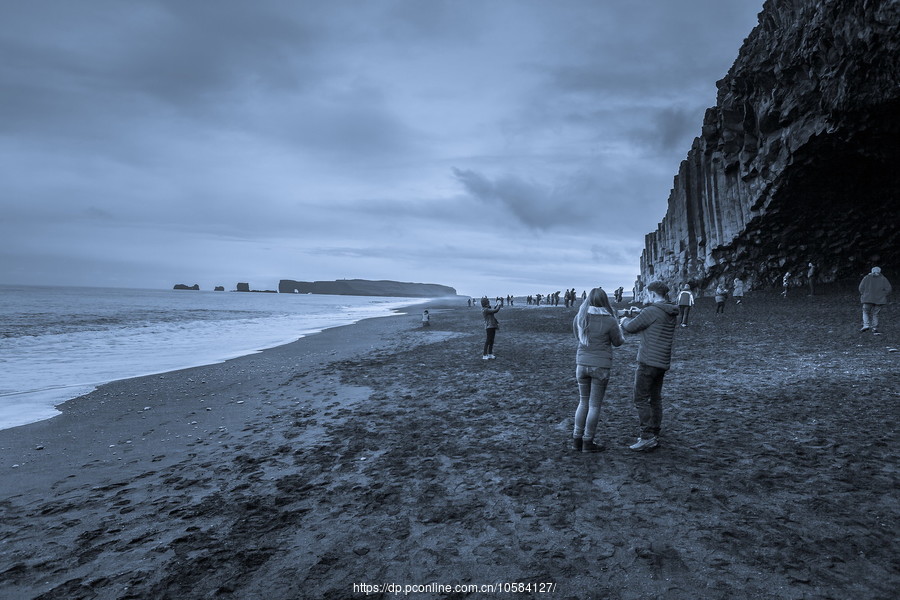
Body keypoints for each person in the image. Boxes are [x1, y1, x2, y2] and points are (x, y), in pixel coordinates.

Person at [620, 281, 678, 452]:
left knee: (640, 399)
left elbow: (631, 327)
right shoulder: (670, 311)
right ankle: (655, 431)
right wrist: (640, 313)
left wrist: (623, 319)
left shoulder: (651, 311)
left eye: (647, 294)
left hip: (647, 361)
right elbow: (653, 320)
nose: (646, 297)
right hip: (662, 361)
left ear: (653, 294)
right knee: (655, 398)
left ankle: (646, 436)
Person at [571, 288, 625, 453]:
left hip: (581, 364)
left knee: (583, 402)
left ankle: (576, 440)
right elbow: (618, 342)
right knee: (594, 406)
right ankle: (588, 441)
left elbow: (578, 337)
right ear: (604, 301)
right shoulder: (609, 320)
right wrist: (620, 327)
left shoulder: (579, 317)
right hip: (600, 366)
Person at [859, 267, 892, 334]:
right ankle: (875, 328)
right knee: (876, 314)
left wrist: (864, 294)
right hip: (879, 299)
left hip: (867, 298)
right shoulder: (883, 279)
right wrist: (883, 295)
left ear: (872, 271)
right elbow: (889, 289)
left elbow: (861, 288)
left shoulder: (866, 278)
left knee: (865, 312)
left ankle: (866, 325)